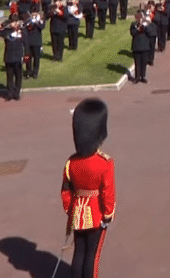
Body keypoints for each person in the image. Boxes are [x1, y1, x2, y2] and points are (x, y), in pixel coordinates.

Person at [63, 98, 117, 278]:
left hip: (77, 214)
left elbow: (66, 191)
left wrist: (71, 210)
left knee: (79, 253)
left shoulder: (71, 162)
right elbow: (107, 192)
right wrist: (108, 214)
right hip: (96, 215)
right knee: (92, 257)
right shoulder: (105, 163)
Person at [0, 15, 25, 101]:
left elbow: (26, 43)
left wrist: (26, 55)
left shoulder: (22, 31)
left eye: (15, 22)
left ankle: (16, 93)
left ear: (17, 22)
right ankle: (10, 93)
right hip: (9, 56)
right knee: (9, 76)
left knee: (18, 76)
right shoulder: (7, 31)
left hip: (18, 56)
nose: (13, 24)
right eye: (11, 22)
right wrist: (3, 24)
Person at [129, 8, 154, 84]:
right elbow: (132, 33)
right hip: (137, 46)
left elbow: (150, 32)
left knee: (144, 62)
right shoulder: (133, 24)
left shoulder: (147, 24)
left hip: (145, 46)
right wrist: (138, 27)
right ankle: (137, 77)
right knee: (137, 63)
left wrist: (144, 25)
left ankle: (143, 77)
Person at [23, 9, 44, 79]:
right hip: (28, 42)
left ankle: (35, 72)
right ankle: (28, 72)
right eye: (33, 13)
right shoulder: (28, 20)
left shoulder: (40, 20)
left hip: (37, 42)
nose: (34, 15)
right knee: (28, 58)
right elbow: (24, 27)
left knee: (36, 59)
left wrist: (36, 22)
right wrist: (29, 22)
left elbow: (42, 27)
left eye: (35, 13)